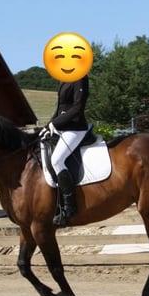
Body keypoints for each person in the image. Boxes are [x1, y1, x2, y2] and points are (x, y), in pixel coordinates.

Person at [39, 75, 90, 225]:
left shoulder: (80, 78)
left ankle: (69, 206)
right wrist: (48, 125)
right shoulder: (65, 79)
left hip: (75, 128)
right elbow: (60, 108)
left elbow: (77, 108)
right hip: (63, 128)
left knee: (57, 160)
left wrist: (56, 123)